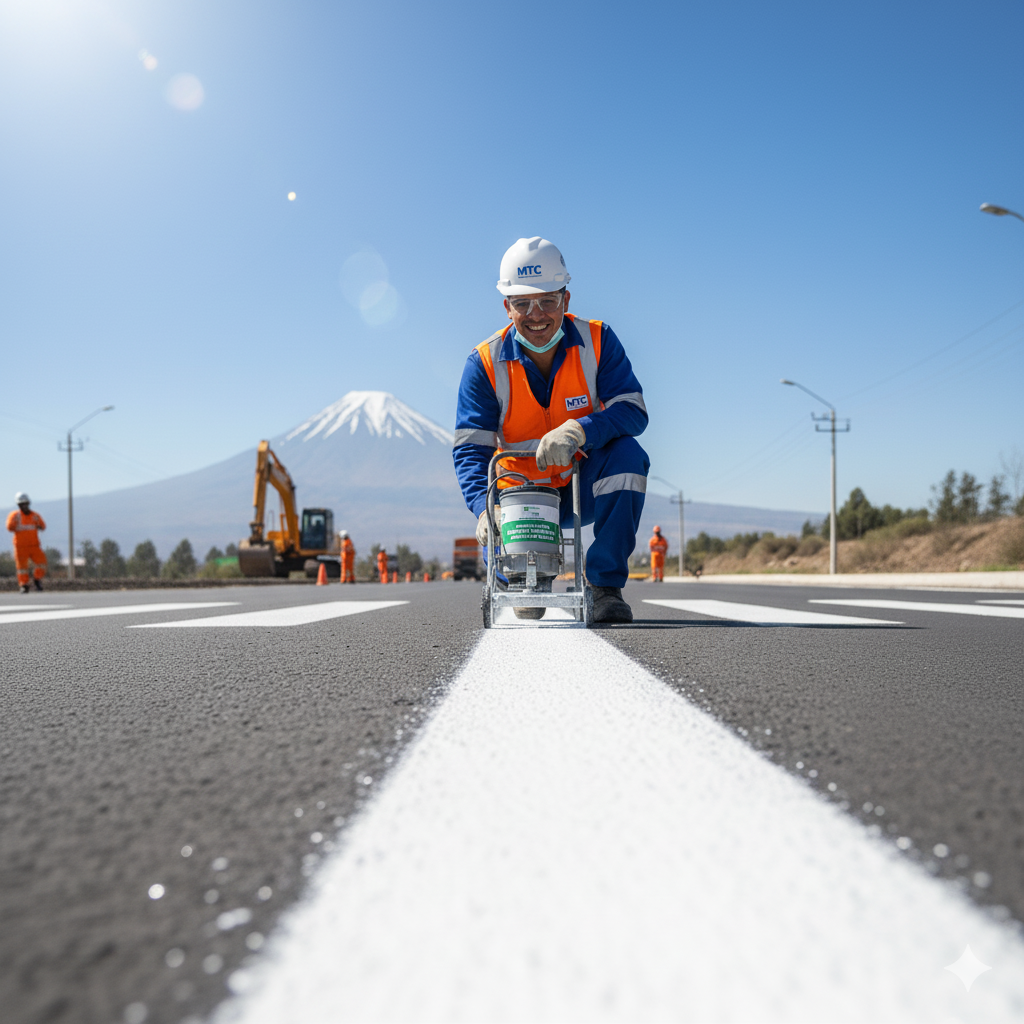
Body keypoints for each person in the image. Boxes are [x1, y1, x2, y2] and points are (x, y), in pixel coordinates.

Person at [454, 237, 648, 623]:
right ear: (507, 307)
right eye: (522, 303)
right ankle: (522, 578)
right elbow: (471, 448)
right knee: (527, 608)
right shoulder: (484, 363)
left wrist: (581, 429)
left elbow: (632, 411)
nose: (536, 314)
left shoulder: (598, 341)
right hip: (520, 499)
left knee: (628, 457)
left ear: (566, 299)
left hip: (581, 487)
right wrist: (484, 508)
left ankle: (604, 586)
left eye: (547, 300)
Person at [7, 492, 48, 594]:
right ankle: (24, 585)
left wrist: (39, 526)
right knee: (22, 568)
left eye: (25, 503)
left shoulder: (35, 516)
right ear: (18, 505)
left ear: (28, 503)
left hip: (34, 545)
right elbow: (9, 527)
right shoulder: (15, 515)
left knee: (42, 563)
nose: (24, 506)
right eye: (21, 504)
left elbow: (43, 526)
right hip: (20, 546)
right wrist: (14, 522)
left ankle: (37, 579)